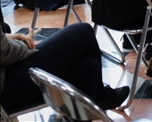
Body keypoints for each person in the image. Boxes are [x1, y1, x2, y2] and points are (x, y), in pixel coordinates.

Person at [0, 14, 128, 113]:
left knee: (88, 67)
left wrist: (10, 37)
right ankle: (101, 97)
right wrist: (21, 44)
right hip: (5, 88)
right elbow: (4, 52)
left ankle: (100, 98)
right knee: (84, 31)